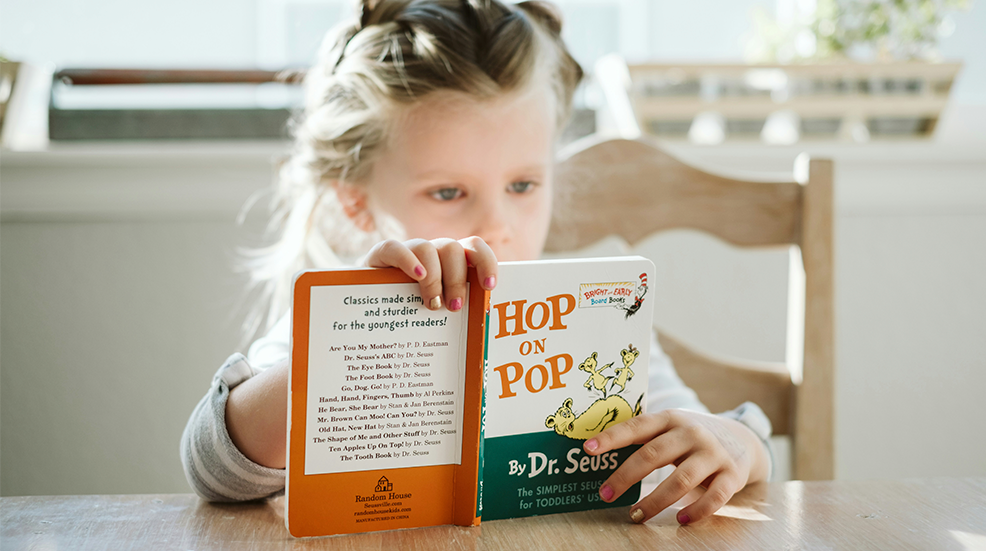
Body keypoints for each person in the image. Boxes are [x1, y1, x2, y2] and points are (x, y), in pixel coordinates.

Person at [180, 0, 773, 526]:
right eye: (447, 193)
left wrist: (738, 442)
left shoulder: (598, 319)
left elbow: (715, 434)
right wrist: (350, 336)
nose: (496, 227)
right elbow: (215, 471)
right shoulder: (341, 320)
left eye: (522, 184)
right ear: (356, 202)